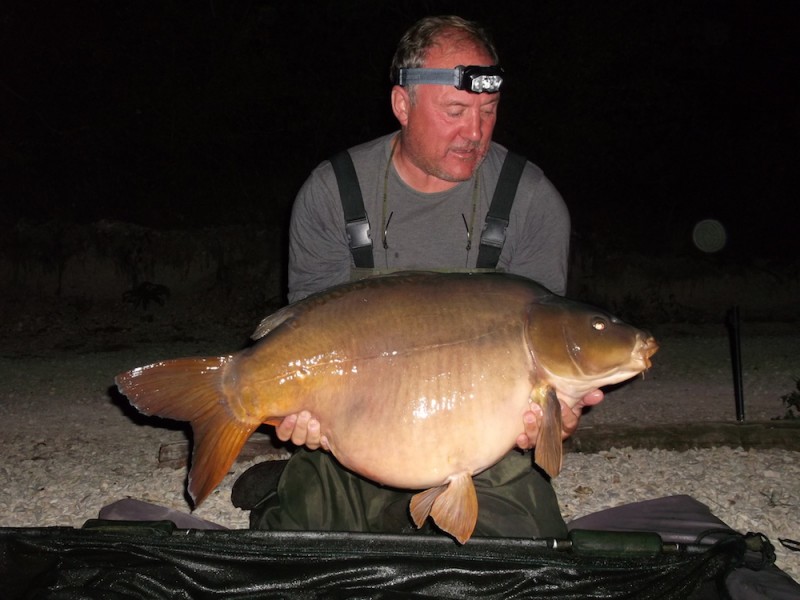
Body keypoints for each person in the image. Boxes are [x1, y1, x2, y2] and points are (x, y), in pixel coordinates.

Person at [234, 15, 603, 539]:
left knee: (525, 555)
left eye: (489, 111)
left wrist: (555, 420)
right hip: (358, 439)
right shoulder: (332, 192)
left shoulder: (530, 202)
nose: (474, 133)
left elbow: (547, 367)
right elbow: (309, 339)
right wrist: (303, 417)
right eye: (455, 111)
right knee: (293, 548)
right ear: (402, 105)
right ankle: (284, 484)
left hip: (480, 458)